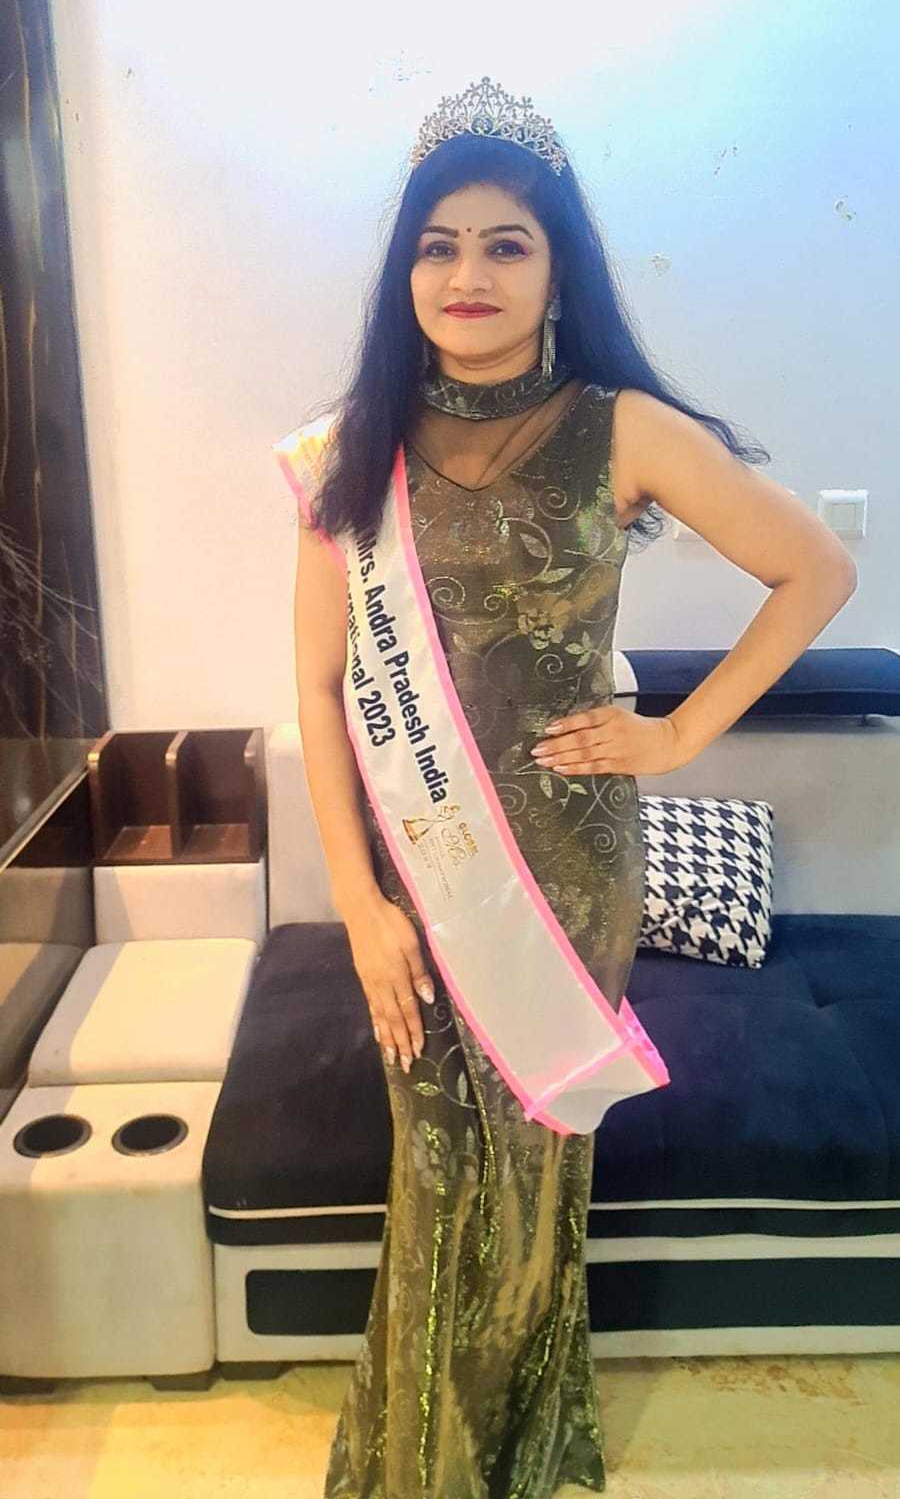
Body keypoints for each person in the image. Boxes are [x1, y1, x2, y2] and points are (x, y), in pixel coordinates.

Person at [281, 77, 857, 1498]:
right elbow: (324, 690)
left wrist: (676, 737)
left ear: (558, 268)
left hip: (566, 864)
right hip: (424, 867)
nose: (467, 274)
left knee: (535, 1171)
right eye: (439, 245)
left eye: (506, 243)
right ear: (405, 269)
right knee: (437, 1172)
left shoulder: (623, 429)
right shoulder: (351, 451)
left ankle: (501, 1454)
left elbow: (816, 571)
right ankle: (428, 1461)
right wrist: (358, 901)